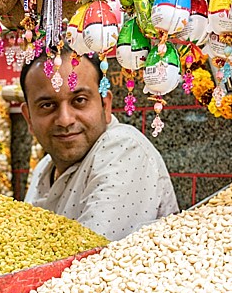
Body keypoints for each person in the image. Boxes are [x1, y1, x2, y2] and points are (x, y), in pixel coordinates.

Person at [21, 50, 178, 242]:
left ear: (105, 105)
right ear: (28, 117)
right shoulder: (44, 168)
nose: (65, 120)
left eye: (79, 101)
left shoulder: (124, 148)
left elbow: (86, 257)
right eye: (47, 105)